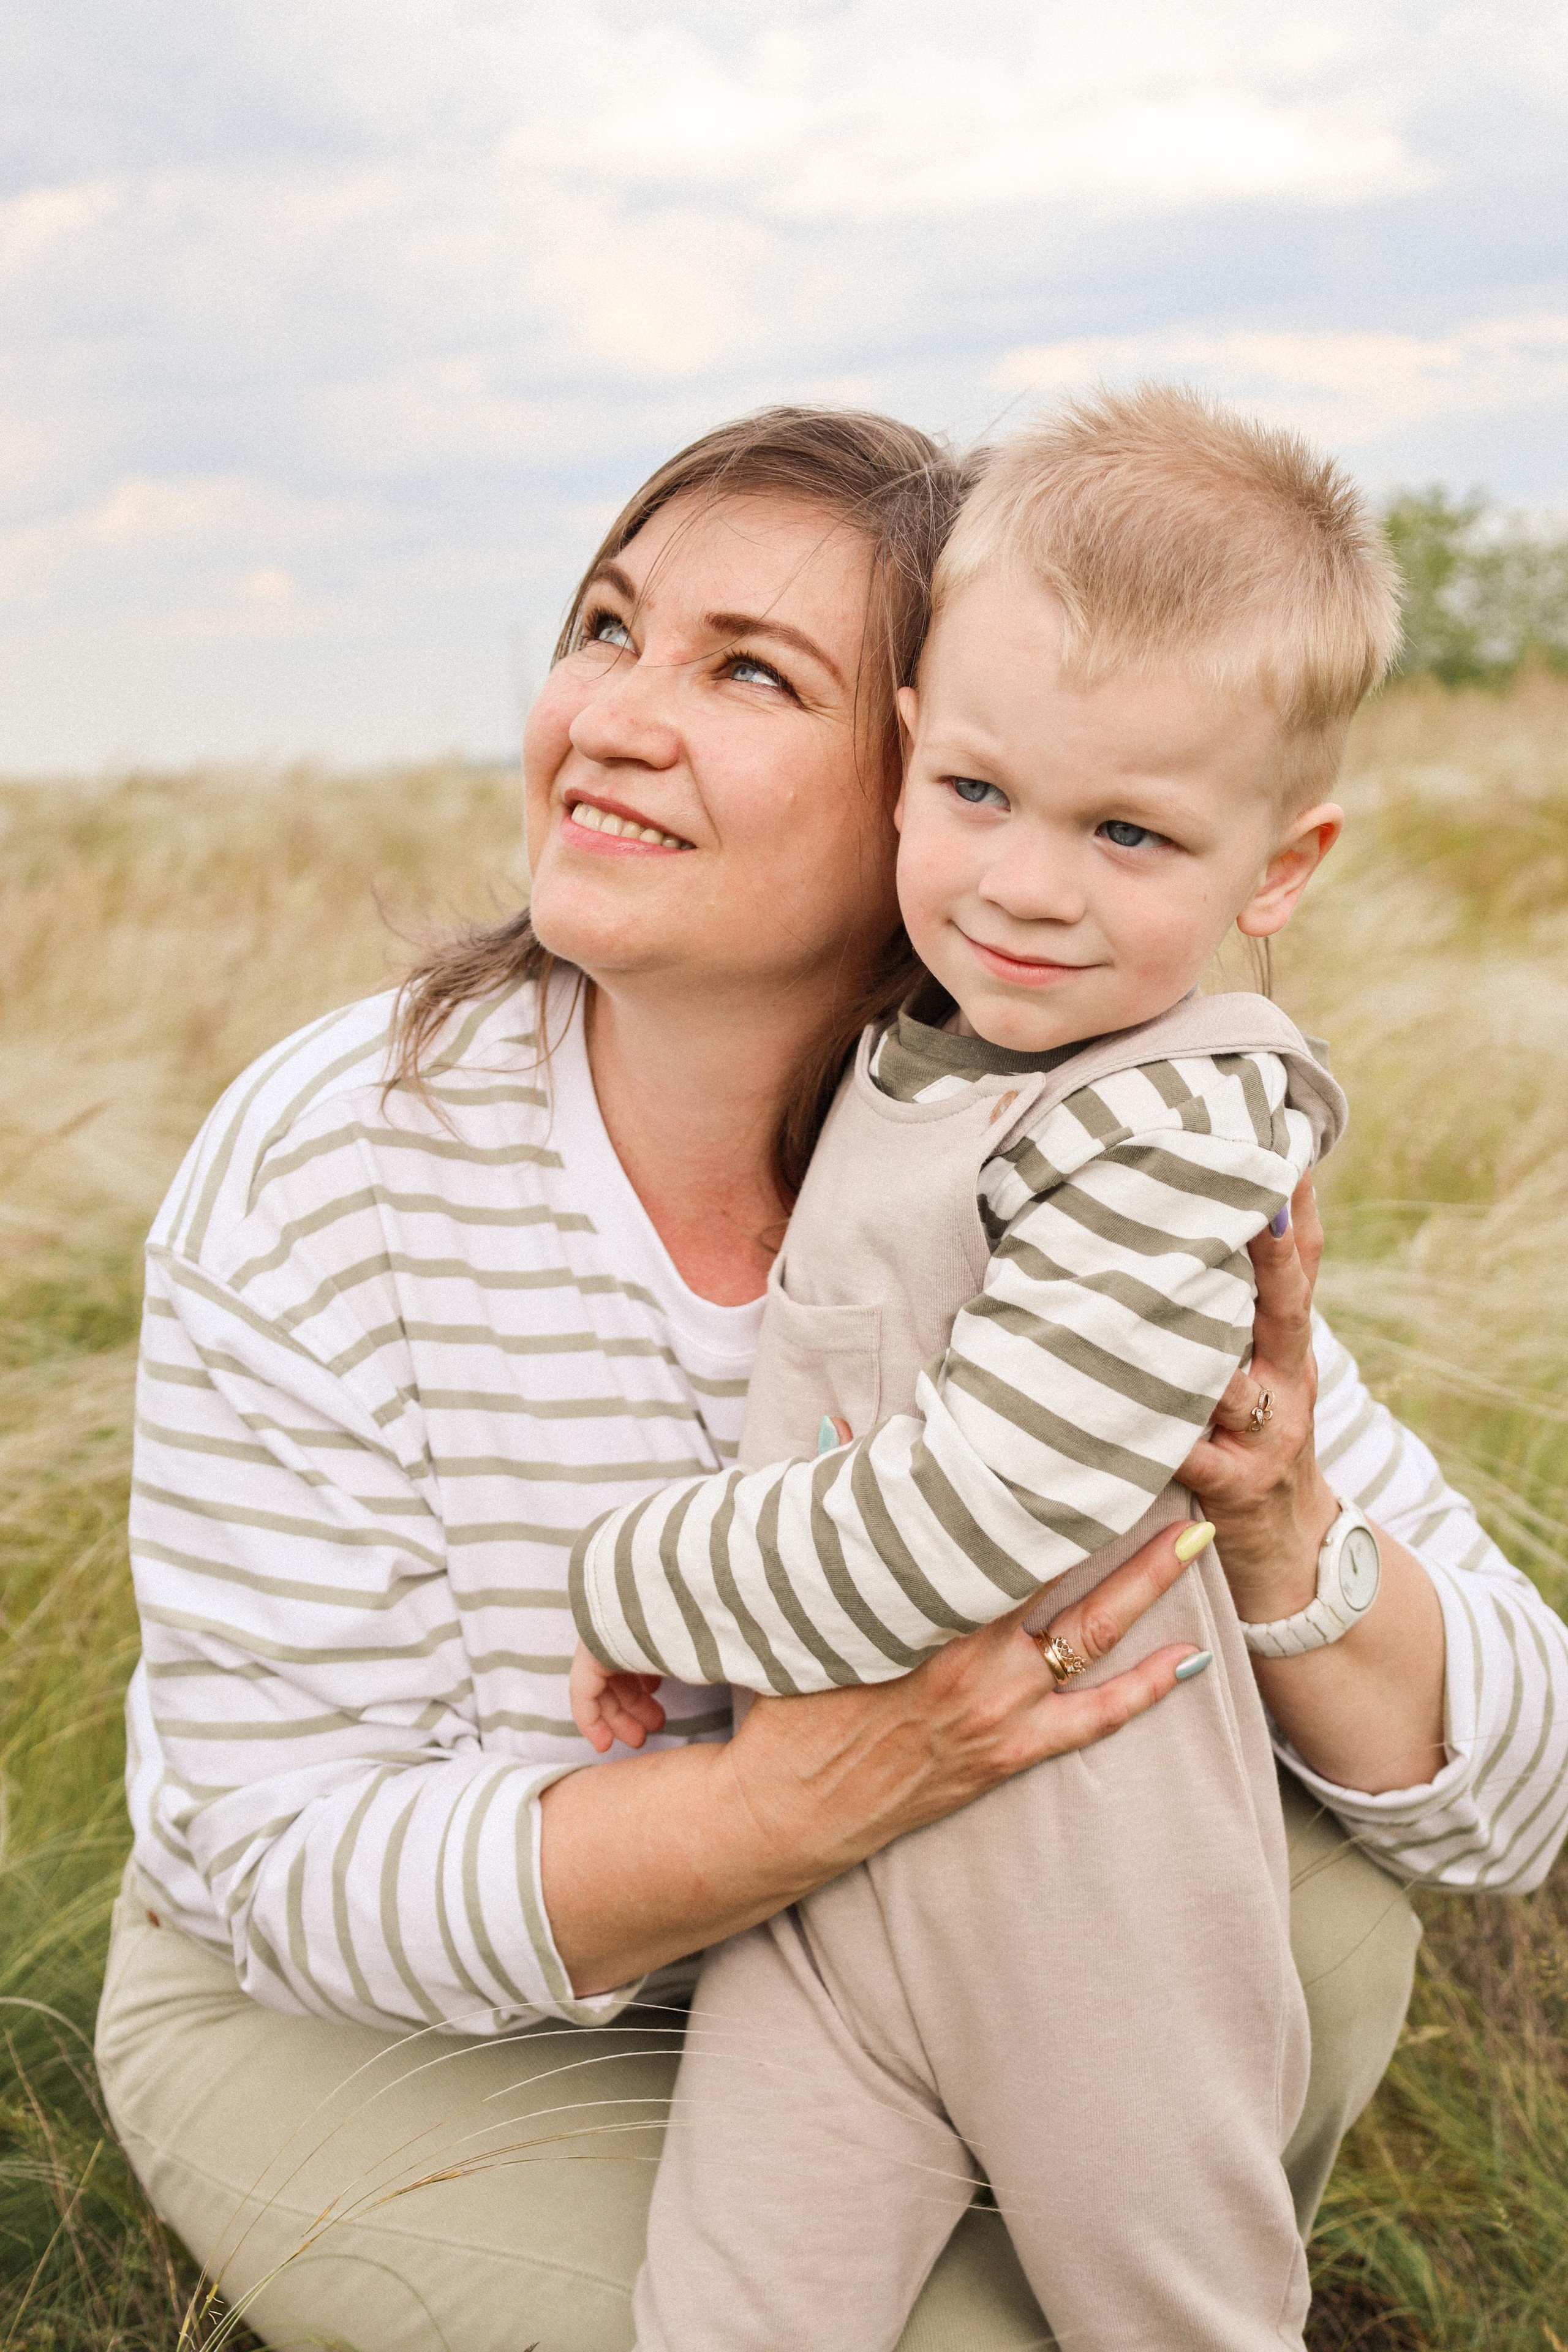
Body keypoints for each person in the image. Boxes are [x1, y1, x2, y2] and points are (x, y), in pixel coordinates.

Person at [94, 407, 1568, 2352]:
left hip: (880, 1949)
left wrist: (1284, 1541)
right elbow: (287, 1862)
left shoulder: (1081, 1150)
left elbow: (1514, 1802)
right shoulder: (330, 1161)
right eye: (608, 628)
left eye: (750, 675)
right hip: (397, 2011)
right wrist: (799, 1804)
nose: (616, 718)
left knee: (1332, 1912)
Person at [565, 388, 1398, 2352]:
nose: (1027, 884)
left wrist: (632, 1581)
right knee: (726, 2320)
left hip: (1093, 1917)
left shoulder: (1177, 1128)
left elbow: (978, 1515)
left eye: (1130, 833)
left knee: (1173, 2318)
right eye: (978, 795)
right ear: (910, 747)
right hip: (826, 1901)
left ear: (1279, 868)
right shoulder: (915, 1052)